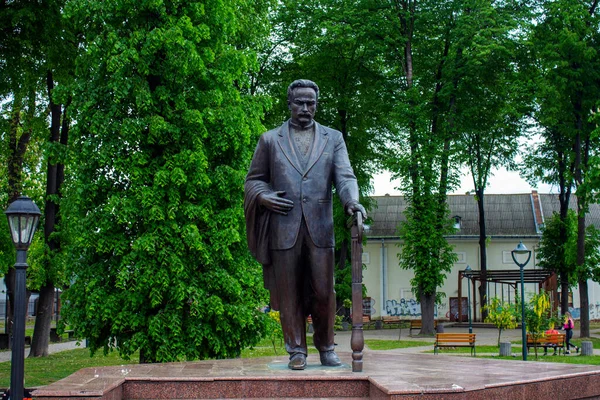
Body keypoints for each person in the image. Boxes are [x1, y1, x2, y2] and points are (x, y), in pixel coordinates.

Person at [244, 79, 366, 370]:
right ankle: (296, 351)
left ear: (316, 104)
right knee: (289, 294)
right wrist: (263, 197)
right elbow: (253, 180)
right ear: (289, 103)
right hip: (283, 229)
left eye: (311, 103)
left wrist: (352, 202)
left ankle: (326, 347)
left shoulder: (333, 138)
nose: (305, 108)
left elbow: (345, 177)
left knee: (324, 293)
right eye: (299, 102)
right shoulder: (270, 140)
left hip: (320, 229)